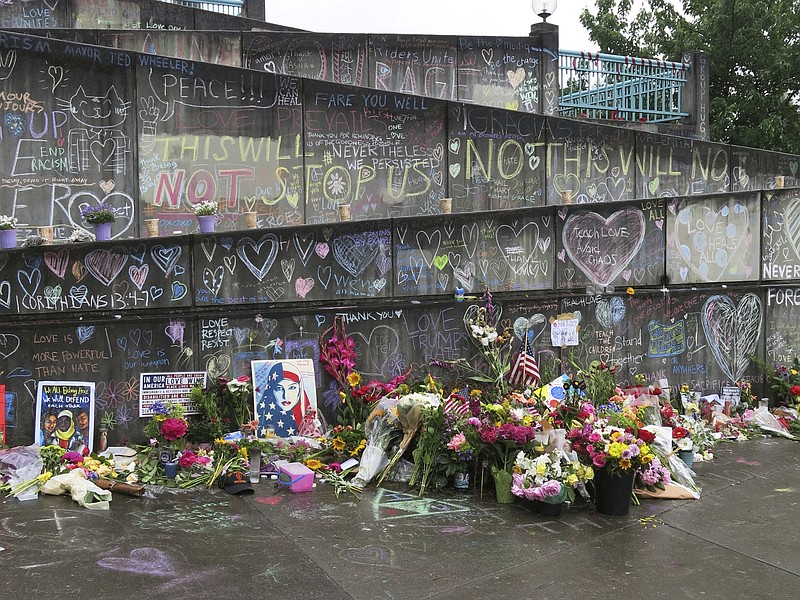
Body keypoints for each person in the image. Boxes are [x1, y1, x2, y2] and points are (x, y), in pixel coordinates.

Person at [257, 362, 311, 437]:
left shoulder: (308, 417)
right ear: (271, 389)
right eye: (279, 388)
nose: (286, 396)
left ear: (300, 388)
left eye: (292, 388)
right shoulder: (263, 416)